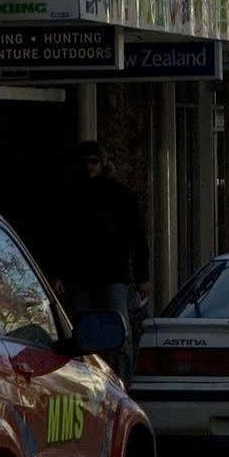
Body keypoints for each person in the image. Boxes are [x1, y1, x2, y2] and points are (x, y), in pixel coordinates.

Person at [63, 141, 149, 375]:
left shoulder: (120, 195)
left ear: (103, 164)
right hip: (82, 275)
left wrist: (142, 276)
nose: (89, 167)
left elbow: (137, 237)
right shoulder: (73, 195)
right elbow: (62, 236)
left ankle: (120, 381)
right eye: (86, 163)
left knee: (118, 332)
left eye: (94, 162)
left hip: (112, 273)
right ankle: (87, 377)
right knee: (82, 334)